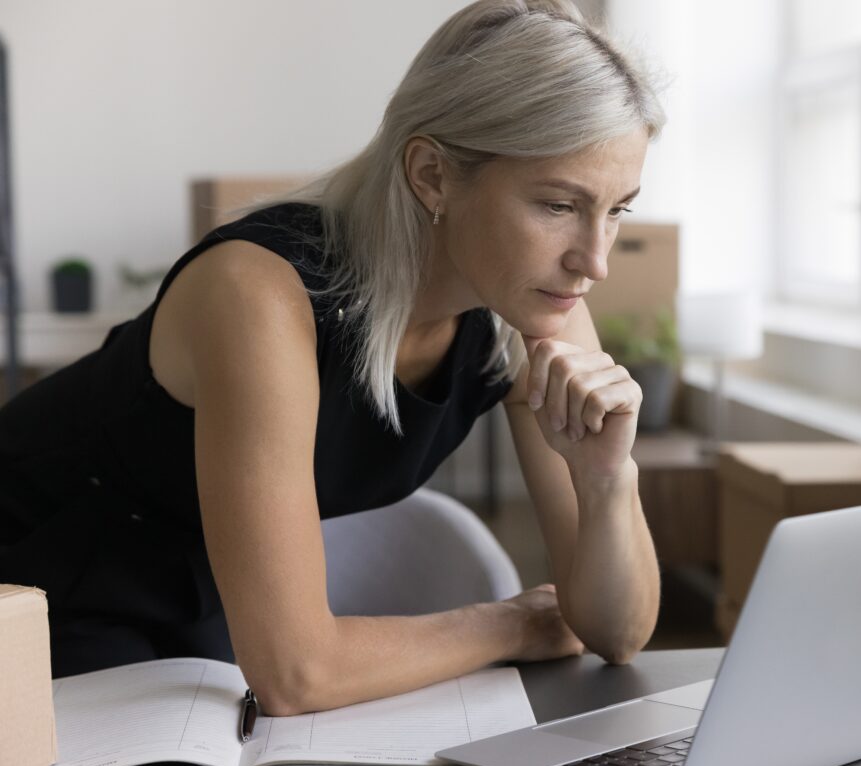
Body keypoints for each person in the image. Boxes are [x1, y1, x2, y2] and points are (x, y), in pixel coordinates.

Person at [0, 0, 664, 716]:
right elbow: (296, 673)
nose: (593, 261)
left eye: (618, 209)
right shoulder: (259, 292)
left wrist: (605, 481)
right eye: (559, 205)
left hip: (196, 585)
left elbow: (617, 633)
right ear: (433, 174)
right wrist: (516, 620)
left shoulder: (534, 302)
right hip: (33, 579)